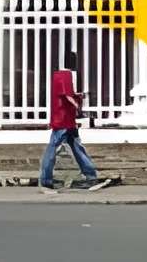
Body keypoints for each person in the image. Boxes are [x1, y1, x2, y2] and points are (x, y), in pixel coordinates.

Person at [39, 50, 104, 191]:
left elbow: (64, 93)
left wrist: (78, 95)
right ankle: (46, 179)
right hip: (64, 119)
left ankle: (89, 175)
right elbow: (67, 95)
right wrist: (78, 106)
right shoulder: (66, 75)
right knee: (55, 148)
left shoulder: (56, 75)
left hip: (62, 118)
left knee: (75, 147)